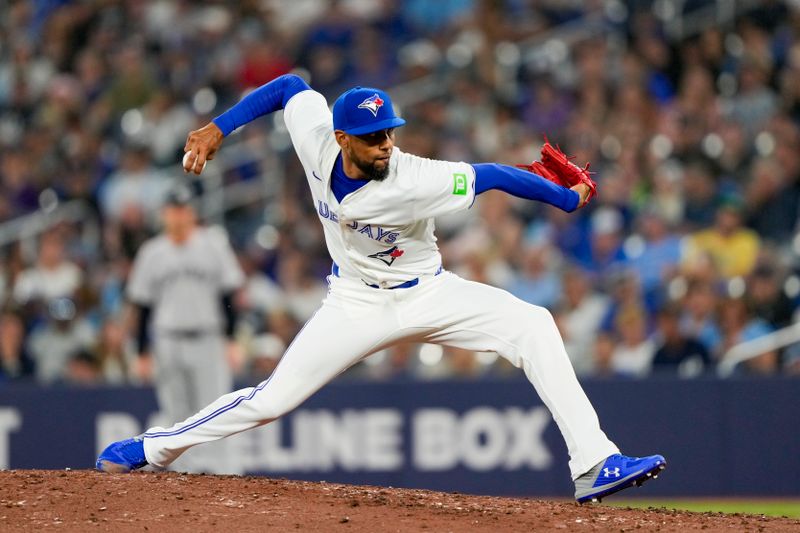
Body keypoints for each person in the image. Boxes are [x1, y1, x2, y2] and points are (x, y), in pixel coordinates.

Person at [97, 74, 665, 503]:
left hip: (429, 292)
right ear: (342, 138)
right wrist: (220, 126)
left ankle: (593, 463)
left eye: (389, 133)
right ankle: (152, 449)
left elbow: (490, 174)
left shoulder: (414, 177)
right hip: (355, 302)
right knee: (271, 400)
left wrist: (565, 199)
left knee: (533, 325)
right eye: (372, 138)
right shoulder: (317, 140)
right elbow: (290, 87)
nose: (385, 145)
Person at [124, 183, 246, 473]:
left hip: (208, 338)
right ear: (164, 215)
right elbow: (143, 306)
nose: (178, 216)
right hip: (167, 340)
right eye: (173, 210)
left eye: (183, 209)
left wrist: (231, 339)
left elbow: (228, 295)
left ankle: (224, 471)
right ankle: (182, 474)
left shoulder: (213, 244)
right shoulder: (152, 252)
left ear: (192, 213)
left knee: (217, 408)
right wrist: (141, 351)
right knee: (175, 411)